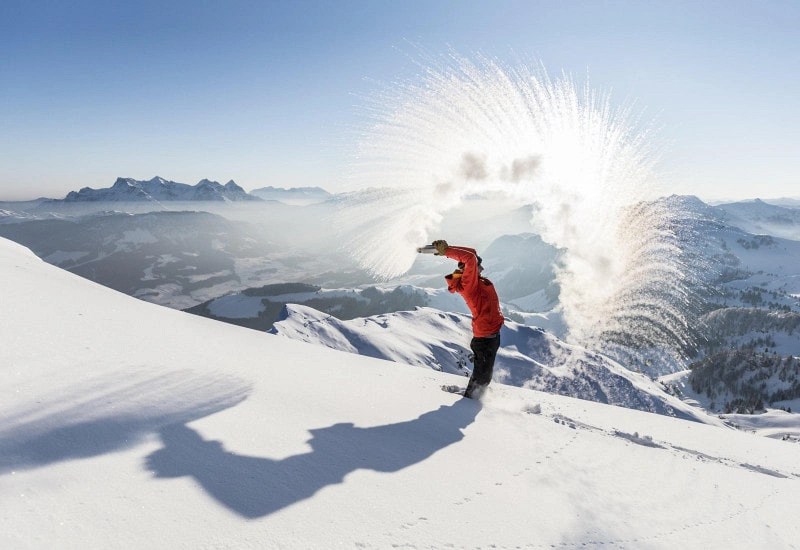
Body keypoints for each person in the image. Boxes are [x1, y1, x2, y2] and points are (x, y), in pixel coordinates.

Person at [432, 239, 504, 399]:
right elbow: (470, 258)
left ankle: (476, 397)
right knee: (482, 377)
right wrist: (447, 252)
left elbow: (472, 252)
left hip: (492, 336)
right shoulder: (469, 285)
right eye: (479, 266)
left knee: (485, 376)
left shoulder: (475, 281)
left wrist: (448, 249)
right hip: (485, 339)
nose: (482, 268)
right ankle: (469, 402)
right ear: (469, 271)